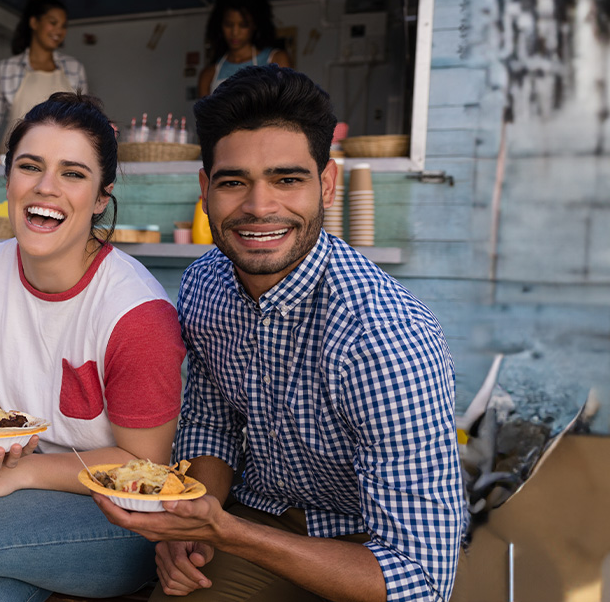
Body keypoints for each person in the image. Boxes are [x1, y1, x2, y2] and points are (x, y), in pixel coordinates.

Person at [93, 65, 467, 602]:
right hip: (257, 515)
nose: (259, 207)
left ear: (328, 184)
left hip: (367, 546)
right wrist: (192, 521)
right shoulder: (206, 285)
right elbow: (212, 421)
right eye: (233, 181)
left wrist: (223, 530)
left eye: (287, 179)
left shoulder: (385, 339)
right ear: (205, 190)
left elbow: (422, 583)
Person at [0, 92, 187, 601]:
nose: (46, 188)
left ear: (101, 197)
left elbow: (145, 468)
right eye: (30, 166)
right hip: (17, 499)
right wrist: (2, 469)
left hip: (120, 517)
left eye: (73, 173)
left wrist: (23, 473)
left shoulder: (136, 314)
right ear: (9, 180)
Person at [0, 0, 87, 158]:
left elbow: (84, 122)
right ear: (34, 23)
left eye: (63, 26)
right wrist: (1, 168)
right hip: (15, 162)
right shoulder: (7, 69)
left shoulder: (74, 69)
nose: (59, 30)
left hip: (63, 161)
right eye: (53, 22)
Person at [197, 0, 291, 98]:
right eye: (228, 24)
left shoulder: (276, 60)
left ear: (255, 25)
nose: (235, 32)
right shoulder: (209, 75)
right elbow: (205, 115)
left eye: (243, 25)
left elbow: (287, 108)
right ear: (219, 24)